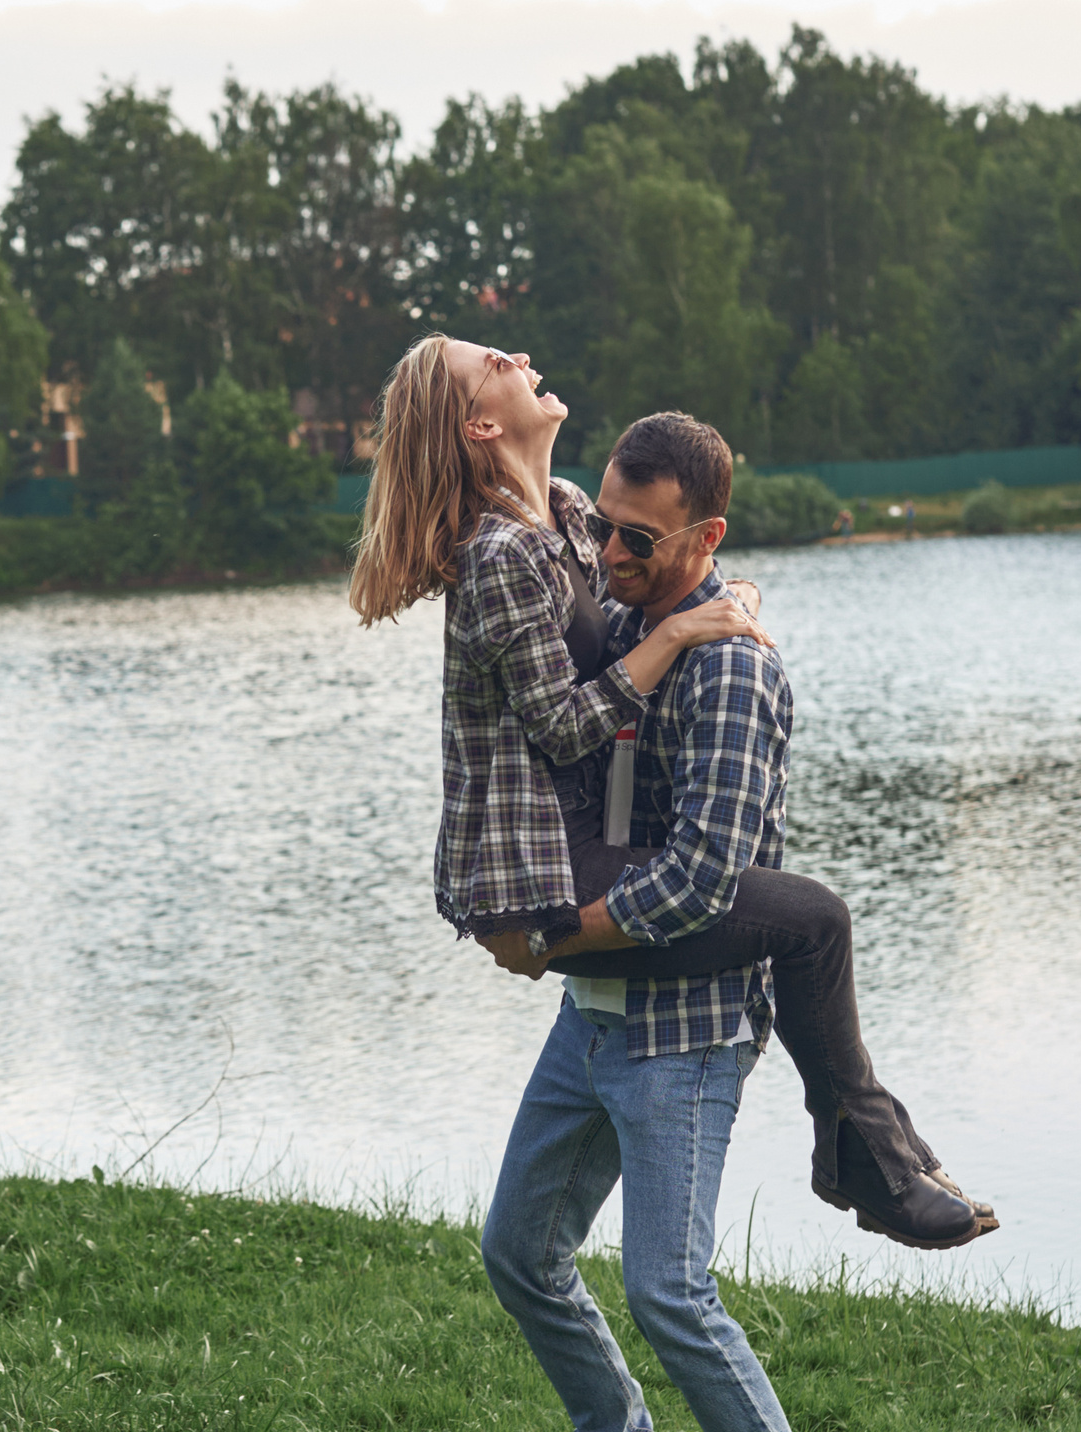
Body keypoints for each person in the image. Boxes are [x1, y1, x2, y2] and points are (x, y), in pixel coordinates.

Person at [348, 336, 994, 1253]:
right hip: (540, 869)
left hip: (581, 849)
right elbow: (571, 720)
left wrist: (722, 605)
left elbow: (619, 619)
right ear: (482, 422)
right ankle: (870, 1163)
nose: (525, 353)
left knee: (538, 1256)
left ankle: (877, 1161)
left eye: (634, 537)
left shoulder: (562, 516)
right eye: (494, 359)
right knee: (815, 921)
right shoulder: (501, 553)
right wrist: (691, 624)